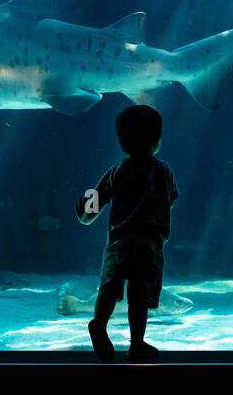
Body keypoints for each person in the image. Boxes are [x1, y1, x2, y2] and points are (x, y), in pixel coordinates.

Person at [76, 104, 179, 362]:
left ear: (121, 141)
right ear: (157, 140)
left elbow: (91, 210)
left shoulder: (116, 171)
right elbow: (172, 200)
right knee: (139, 296)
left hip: (118, 242)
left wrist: (82, 213)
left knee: (108, 288)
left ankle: (99, 322)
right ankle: (136, 344)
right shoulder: (164, 171)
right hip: (149, 245)